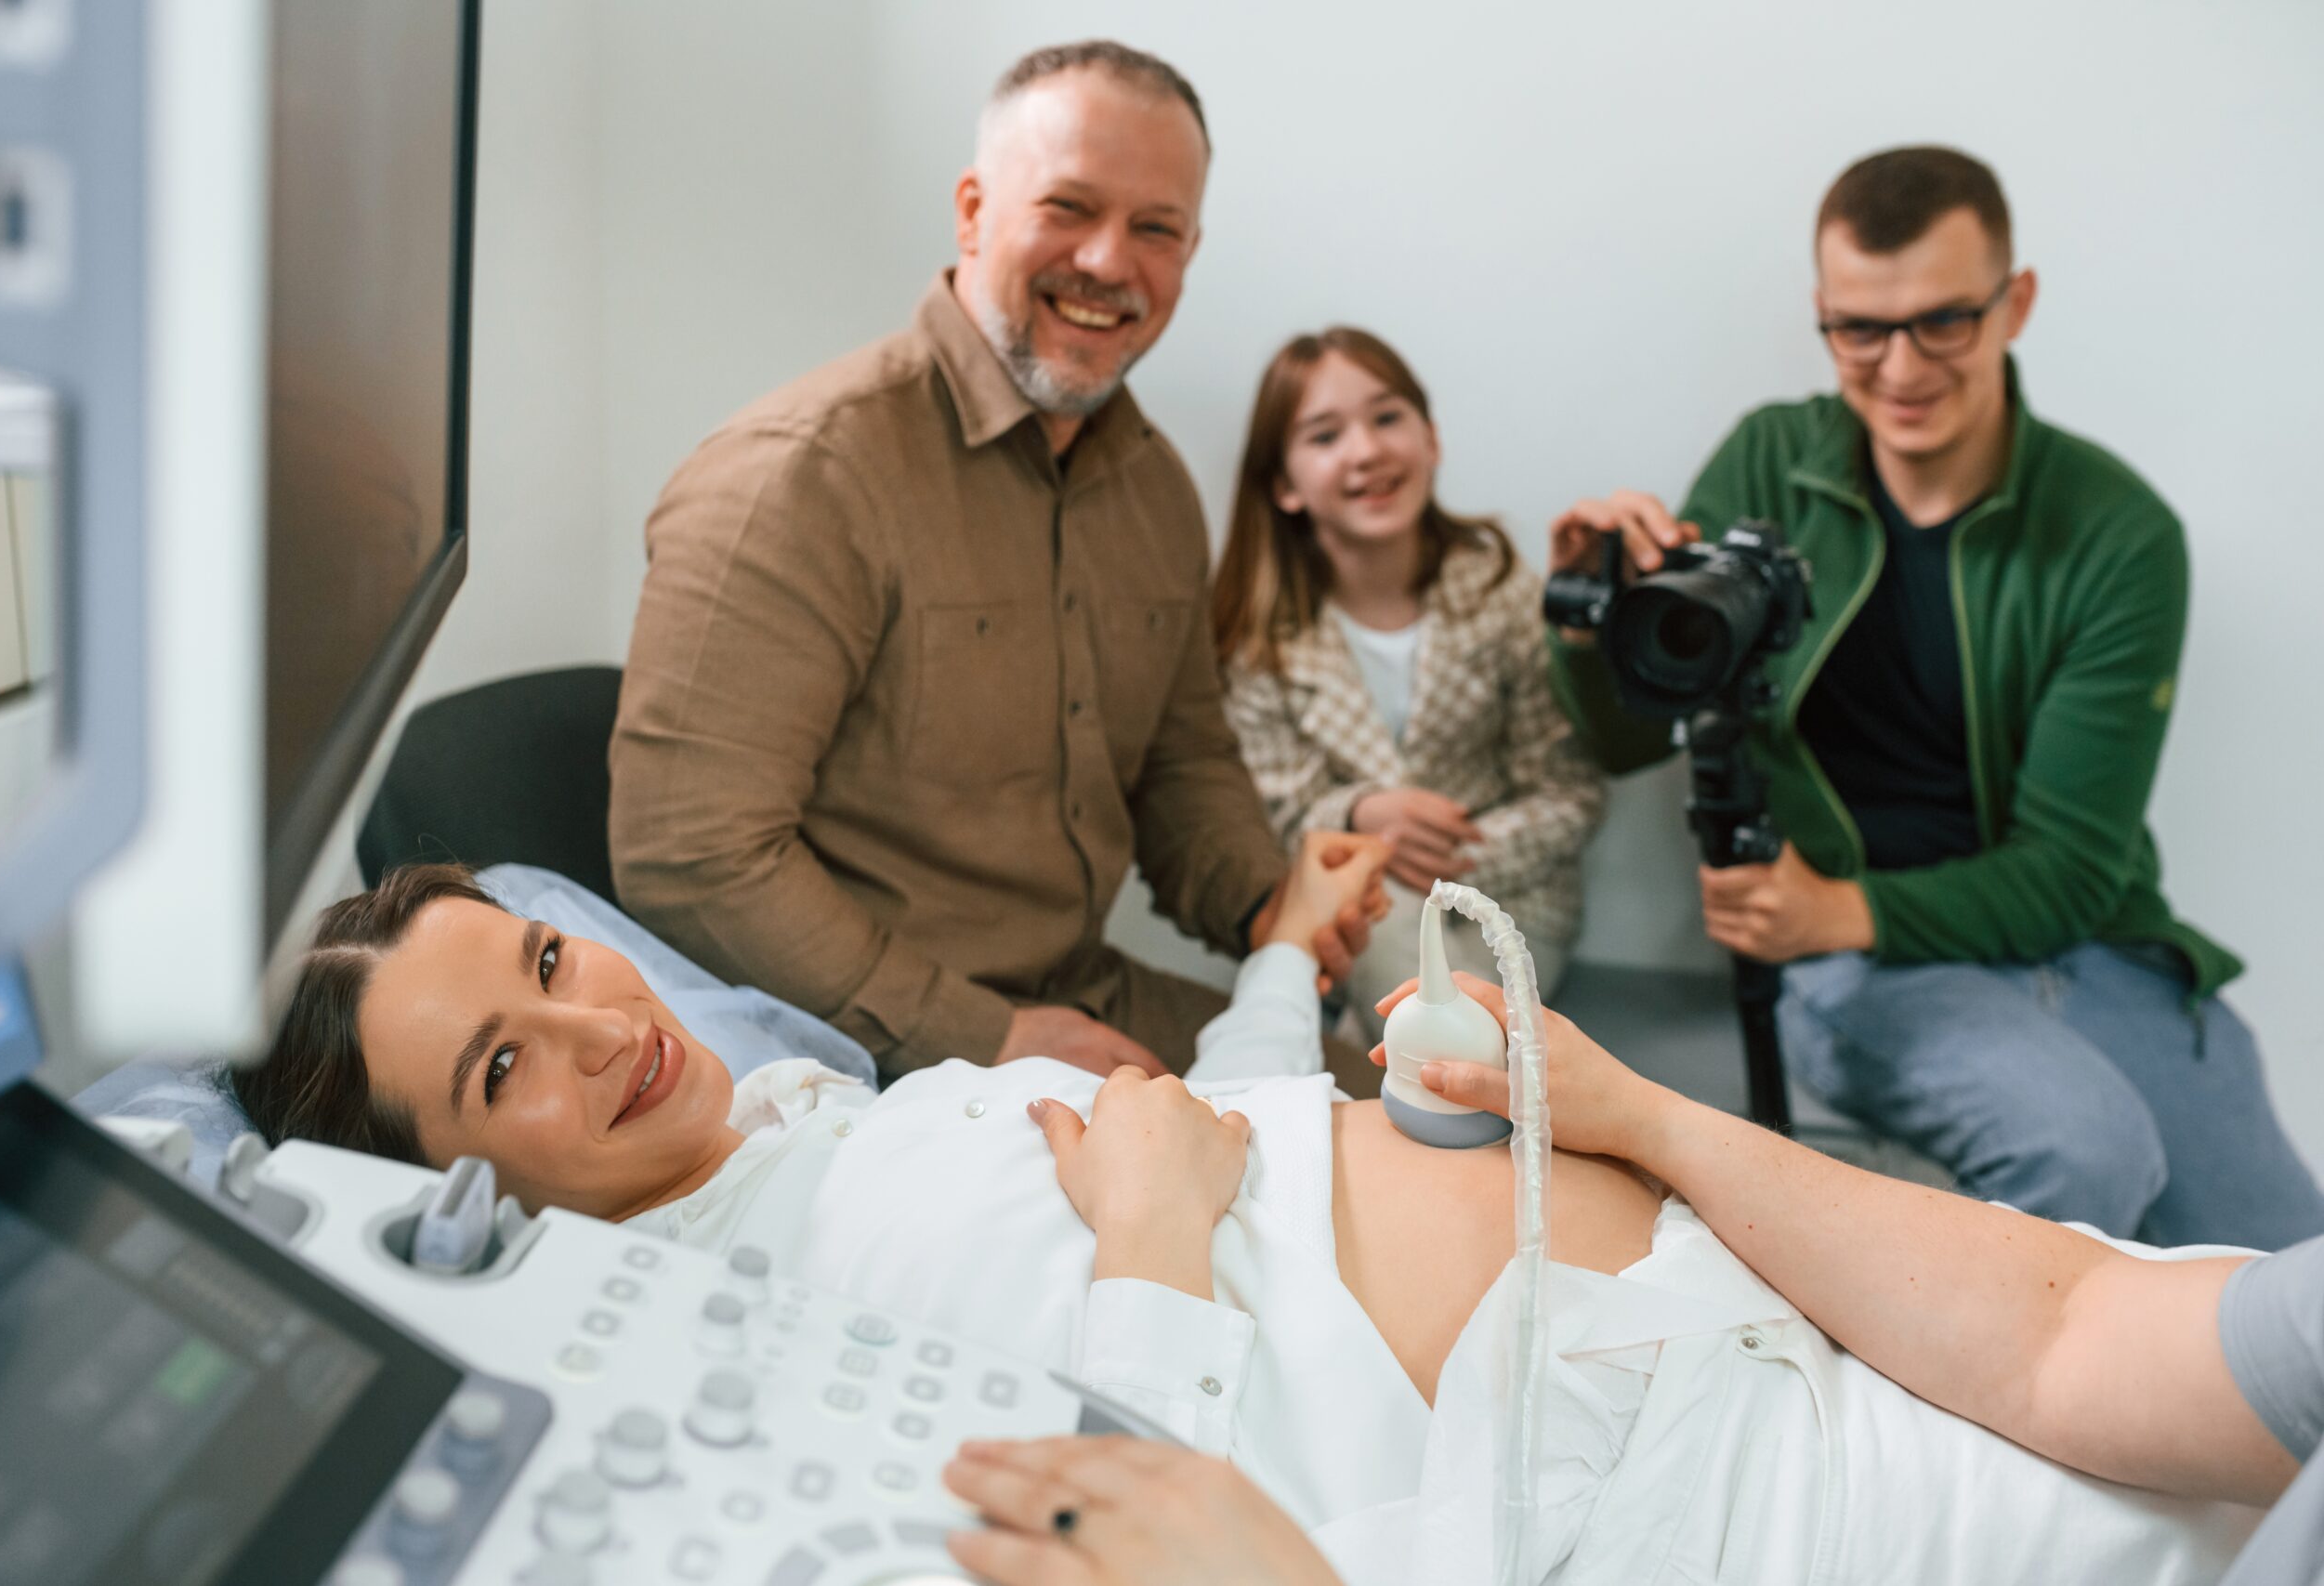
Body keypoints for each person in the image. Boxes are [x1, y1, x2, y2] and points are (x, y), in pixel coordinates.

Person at [236, 861, 2257, 1584]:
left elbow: (1218, 1127)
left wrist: (1284, 956)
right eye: (501, 1066)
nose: (599, 1028)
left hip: (1784, 1308)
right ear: (456, 1197)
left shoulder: (808, 1119)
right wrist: (1147, 1228)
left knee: (2222, 1346)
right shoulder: (712, 1351)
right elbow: (1090, 1540)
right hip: (1680, 1496)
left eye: (549, 959)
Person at [1544, 144, 2323, 1248]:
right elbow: (1627, 743)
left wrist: (1832, 909)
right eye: (1860, 329)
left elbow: (2068, 870)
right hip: (1857, 961)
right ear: (1822, 315)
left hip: (2073, 937)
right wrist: (1591, 622)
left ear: (2015, 303)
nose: (1900, 368)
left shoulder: (2117, 534)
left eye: (1942, 322)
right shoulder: (1769, 462)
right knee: (2085, 1148)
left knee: (2289, 1279)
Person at [940, 978, 2323, 1585]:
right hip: (1773, 1351)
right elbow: (2062, 1333)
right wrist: (1644, 1117)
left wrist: (1152, 1250)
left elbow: (1126, 1538)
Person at [609, 41, 1376, 1094]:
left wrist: (1268, 905)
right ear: (972, 212)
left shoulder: (1154, 488)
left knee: (1449, 1118)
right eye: (1068, 207)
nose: (1108, 261)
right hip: (852, 1060)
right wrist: (987, 1035)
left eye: (1156, 229)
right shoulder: (799, 476)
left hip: (1082, 1004)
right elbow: (686, 856)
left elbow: (1182, 764)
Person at [1213, 328, 1605, 1032]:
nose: (1366, 450)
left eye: (1388, 417)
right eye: (1325, 435)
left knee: (1396, 928)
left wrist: (1444, 863)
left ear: (1431, 439)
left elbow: (1569, 791)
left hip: (1510, 903)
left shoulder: (1500, 590)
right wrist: (1359, 815)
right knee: (1376, 902)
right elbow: (1273, 816)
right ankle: (1430, 1055)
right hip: (1358, 911)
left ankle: (1412, 1050)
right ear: (1284, 485)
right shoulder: (1262, 638)